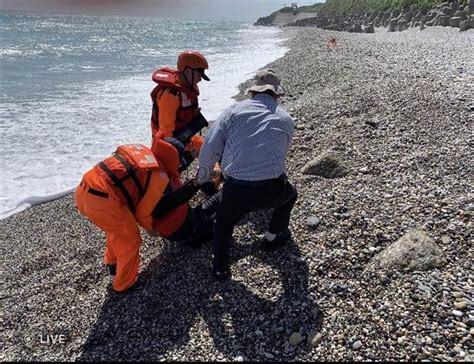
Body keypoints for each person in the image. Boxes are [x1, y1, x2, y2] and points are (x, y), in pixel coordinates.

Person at [75, 137, 220, 293]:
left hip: (83, 190)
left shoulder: (143, 154)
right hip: (104, 203)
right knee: (131, 241)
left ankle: (112, 263)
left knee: (117, 230)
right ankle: (123, 285)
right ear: (172, 158)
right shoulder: (158, 177)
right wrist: (151, 229)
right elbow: (144, 212)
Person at [196, 69, 297, 280]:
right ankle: (271, 237)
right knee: (290, 196)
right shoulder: (285, 118)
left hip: (237, 190)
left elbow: (210, 148)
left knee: (223, 224)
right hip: (273, 189)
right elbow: (282, 153)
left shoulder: (233, 112)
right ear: (276, 95)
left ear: (252, 92)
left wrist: (203, 178)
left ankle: (220, 269)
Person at [150, 50, 210, 169]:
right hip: (169, 144)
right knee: (174, 173)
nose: (200, 79)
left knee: (212, 150)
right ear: (188, 71)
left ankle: (211, 177)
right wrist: (180, 155)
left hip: (186, 138)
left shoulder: (188, 88)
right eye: (199, 75)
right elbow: (165, 135)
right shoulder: (170, 95)